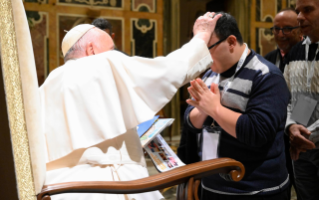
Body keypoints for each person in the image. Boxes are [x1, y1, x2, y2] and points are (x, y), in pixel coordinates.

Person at [40, 12, 221, 200]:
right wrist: (201, 35)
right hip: (107, 189)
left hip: (61, 191)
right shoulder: (102, 63)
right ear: (92, 50)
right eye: (111, 48)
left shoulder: (47, 86)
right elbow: (170, 70)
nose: (115, 53)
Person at [184, 12, 290, 200]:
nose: (203, 59)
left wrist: (215, 109)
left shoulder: (267, 75)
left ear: (231, 42)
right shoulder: (211, 73)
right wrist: (202, 111)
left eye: (208, 49)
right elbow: (190, 121)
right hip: (213, 185)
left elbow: (258, 132)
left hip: (255, 189)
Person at [283, 0, 319, 199]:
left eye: (308, 10)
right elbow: (286, 98)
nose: (299, 17)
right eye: (298, 11)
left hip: (303, 140)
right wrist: (291, 127)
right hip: (301, 148)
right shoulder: (295, 52)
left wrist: (302, 136)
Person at [264, 7, 303, 199]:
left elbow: (309, 97)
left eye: (287, 28)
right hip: (276, 136)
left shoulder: (309, 55)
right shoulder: (269, 59)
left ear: (300, 29)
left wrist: (295, 127)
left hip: (302, 133)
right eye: (276, 29)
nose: (281, 34)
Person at [265, 8, 303, 72]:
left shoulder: (311, 56)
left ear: (300, 31)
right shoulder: (268, 60)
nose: (280, 35)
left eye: (287, 28)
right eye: (276, 29)